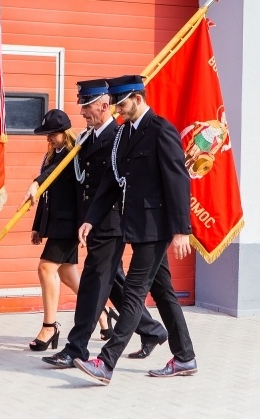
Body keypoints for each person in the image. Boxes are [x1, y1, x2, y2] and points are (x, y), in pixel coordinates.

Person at [74, 75, 196, 385]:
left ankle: (106, 361)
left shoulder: (160, 130)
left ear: (138, 99)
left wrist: (182, 229)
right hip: (137, 225)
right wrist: (92, 216)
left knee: (132, 293)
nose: (118, 109)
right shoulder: (125, 133)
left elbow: (178, 181)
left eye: (122, 103)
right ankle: (185, 356)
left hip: (156, 228)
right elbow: (114, 181)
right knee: (164, 292)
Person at [42, 79, 167, 369]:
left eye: (87, 106)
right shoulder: (88, 137)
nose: (83, 112)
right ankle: (152, 330)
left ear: (102, 105)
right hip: (93, 220)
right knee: (113, 285)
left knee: (92, 283)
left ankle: (76, 348)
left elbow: (116, 184)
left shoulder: (118, 136)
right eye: (82, 106)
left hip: (111, 220)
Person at [21, 109, 109, 351]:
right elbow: (46, 192)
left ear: (64, 133)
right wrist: (38, 227)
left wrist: (35, 183)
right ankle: (102, 313)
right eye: (46, 135)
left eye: (52, 135)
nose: (48, 139)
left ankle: (50, 326)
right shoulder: (51, 156)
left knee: (46, 267)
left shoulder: (73, 154)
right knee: (68, 275)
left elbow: (47, 178)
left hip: (70, 225)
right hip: (56, 224)